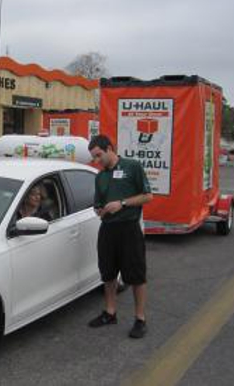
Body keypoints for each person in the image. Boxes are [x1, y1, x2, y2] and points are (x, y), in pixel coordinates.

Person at [87, 135, 153, 339]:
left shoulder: (132, 167)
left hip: (129, 228)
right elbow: (98, 203)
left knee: (136, 275)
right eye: (94, 158)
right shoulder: (100, 176)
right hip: (108, 229)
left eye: (99, 155)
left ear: (109, 149)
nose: (97, 161)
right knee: (107, 273)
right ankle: (110, 312)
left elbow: (148, 196)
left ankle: (140, 319)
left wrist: (122, 204)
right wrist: (100, 210)